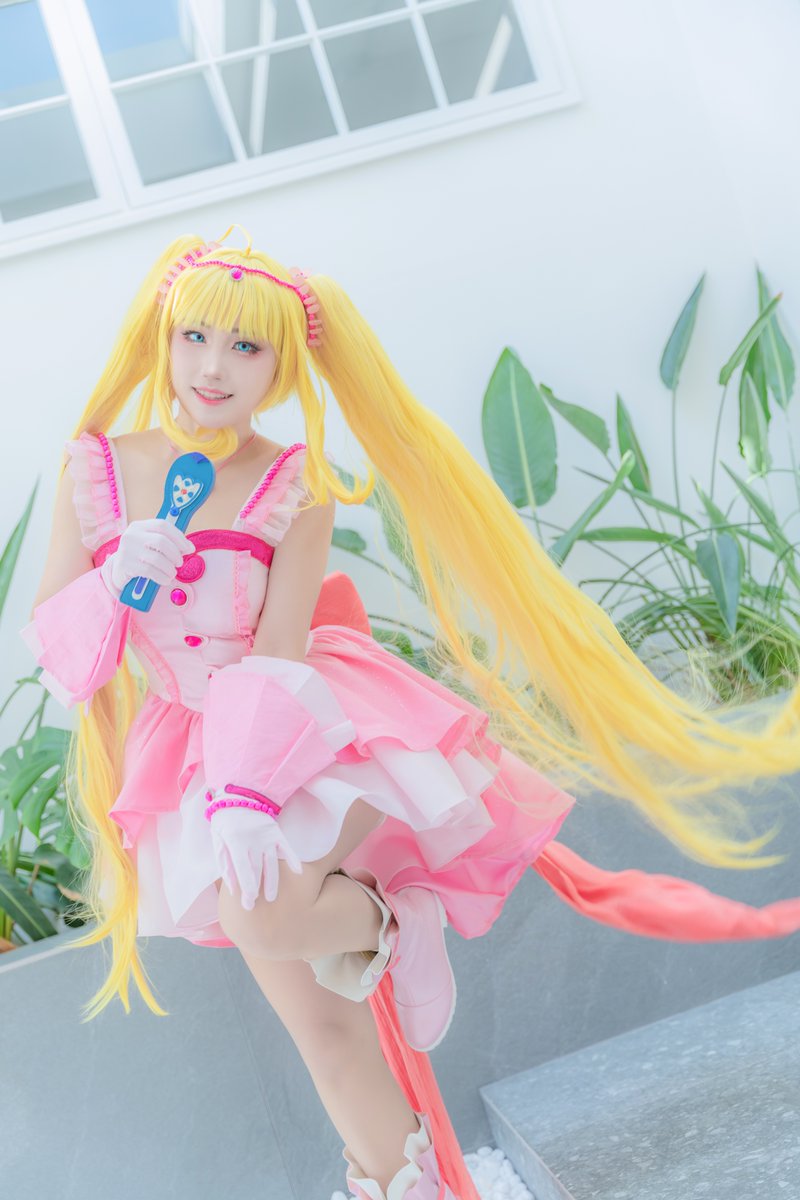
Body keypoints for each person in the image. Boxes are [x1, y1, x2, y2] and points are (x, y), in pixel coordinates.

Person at [19, 224, 800, 1200]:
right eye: (196, 337)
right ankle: (403, 1182)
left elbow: (278, 651)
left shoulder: (291, 483)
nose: (214, 368)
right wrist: (110, 583)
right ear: (164, 338)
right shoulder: (95, 469)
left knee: (261, 914)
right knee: (319, 1025)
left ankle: (393, 916)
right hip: (184, 749)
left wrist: (244, 794)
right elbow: (63, 658)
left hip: (297, 728)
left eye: (246, 346)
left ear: (282, 364)